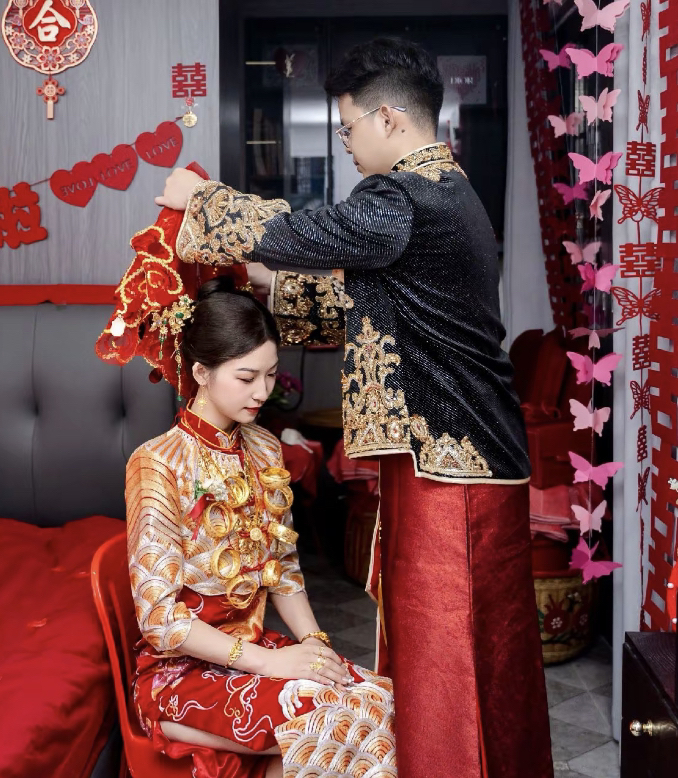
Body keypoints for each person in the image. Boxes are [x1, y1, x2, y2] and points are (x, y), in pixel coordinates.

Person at [154, 38, 552, 778]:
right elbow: (373, 304)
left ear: (389, 119)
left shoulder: (406, 195)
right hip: (457, 456)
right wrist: (270, 288)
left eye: (348, 127)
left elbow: (309, 233)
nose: (346, 142)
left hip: (452, 463)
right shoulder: (447, 191)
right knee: (472, 653)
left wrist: (199, 200)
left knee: (448, 655)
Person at [122, 276, 396, 778]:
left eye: (271, 375)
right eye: (246, 377)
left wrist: (315, 644)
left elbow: (283, 568)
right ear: (201, 373)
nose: (263, 392)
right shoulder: (157, 462)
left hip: (253, 654)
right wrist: (270, 663)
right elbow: (159, 620)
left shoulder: (265, 448)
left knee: (384, 701)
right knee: (334, 721)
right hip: (178, 675)